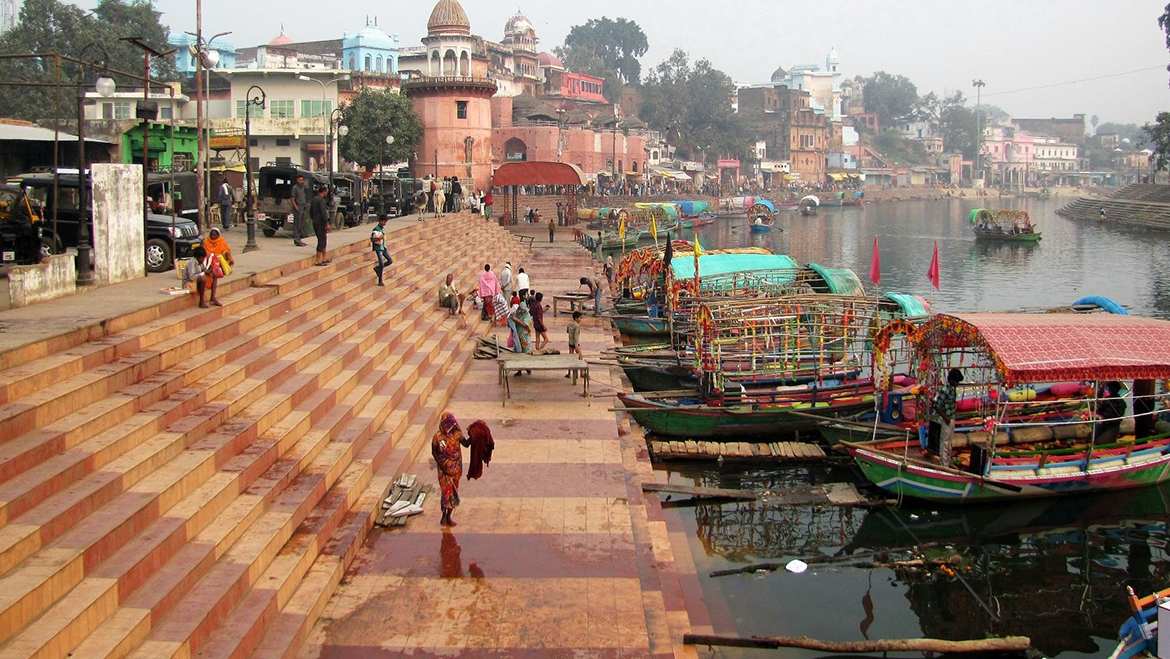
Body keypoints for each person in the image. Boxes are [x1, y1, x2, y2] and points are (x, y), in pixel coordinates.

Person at [431, 411, 471, 526]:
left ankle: (449, 516)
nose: (448, 428)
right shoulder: (437, 437)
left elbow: (466, 444)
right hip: (443, 470)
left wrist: (475, 434)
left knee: (453, 492)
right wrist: (442, 465)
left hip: (456, 469)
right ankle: (443, 516)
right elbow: (434, 452)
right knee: (446, 492)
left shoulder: (457, 434)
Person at [929, 368, 962, 466]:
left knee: (949, 442)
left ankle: (947, 461)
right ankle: (944, 465)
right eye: (956, 381)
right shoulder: (945, 389)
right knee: (945, 442)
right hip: (946, 419)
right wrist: (945, 417)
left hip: (951, 417)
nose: (957, 384)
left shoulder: (952, 388)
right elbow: (936, 405)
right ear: (951, 380)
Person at [310, 185, 330, 266]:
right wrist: (327, 223)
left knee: (322, 239)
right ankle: (318, 260)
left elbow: (310, 212)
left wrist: (314, 219)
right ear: (324, 192)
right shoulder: (321, 200)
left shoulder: (314, 199)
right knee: (322, 240)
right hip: (321, 222)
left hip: (315, 221)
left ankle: (324, 258)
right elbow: (323, 213)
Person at [371, 216, 392, 286]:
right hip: (378, 248)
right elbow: (372, 239)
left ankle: (377, 268)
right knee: (382, 264)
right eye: (384, 222)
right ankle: (380, 280)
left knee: (390, 261)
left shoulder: (382, 229)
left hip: (383, 247)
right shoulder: (376, 229)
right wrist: (379, 238)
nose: (385, 223)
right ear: (380, 221)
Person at [291, 174, 308, 247]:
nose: (301, 181)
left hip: (303, 207)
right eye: (299, 180)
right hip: (298, 208)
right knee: (297, 225)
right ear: (297, 180)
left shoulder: (302, 188)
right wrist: (296, 208)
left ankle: (299, 239)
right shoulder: (295, 188)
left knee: (301, 225)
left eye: (302, 180)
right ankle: (297, 240)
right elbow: (292, 199)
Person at [565, 310, 583, 377]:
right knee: (580, 357)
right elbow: (576, 336)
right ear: (576, 318)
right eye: (580, 318)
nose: (580, 319)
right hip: (576, 343)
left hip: (570, 343)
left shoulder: (569, 324)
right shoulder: (577, 326)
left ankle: (569, 373)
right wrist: (576, 346)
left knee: (571, 358)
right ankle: (582, 373)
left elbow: (567, 331)